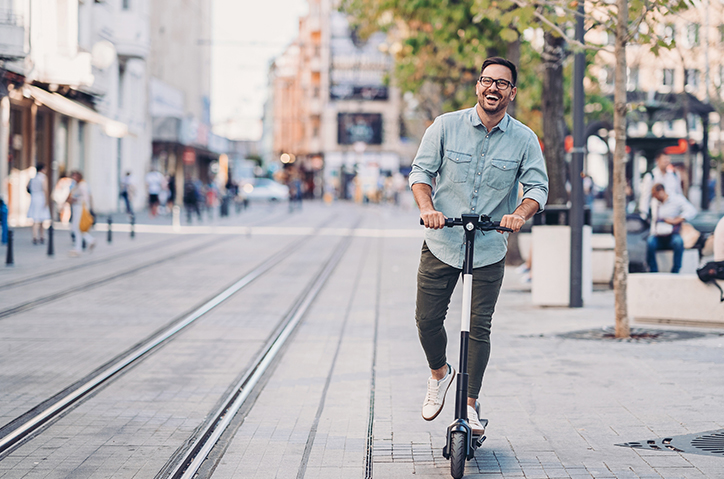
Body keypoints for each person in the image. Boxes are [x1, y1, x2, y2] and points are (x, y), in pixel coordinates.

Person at [410, 57, 548, 434]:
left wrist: (519, 213)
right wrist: (428, 209)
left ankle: (469, 404)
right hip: (442, 241)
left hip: (488, 246)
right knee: (426, 320)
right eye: (487, 81)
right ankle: (440, 373)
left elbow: (538, 188)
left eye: (502, 84)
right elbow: (421, 173)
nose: (493, 88)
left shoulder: (523, 138)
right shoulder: (445, 126)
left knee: (478, 327)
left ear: (512, 93)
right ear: (478, 86)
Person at [646, 183, 697, 273]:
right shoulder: (655, 203)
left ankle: (676, 270)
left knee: (678, 242)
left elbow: (692, 210)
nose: (655, 197)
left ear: (661, 191)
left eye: (655, 195)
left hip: (672, 234)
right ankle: (653, 270)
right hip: (658, 235)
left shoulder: (676, 199)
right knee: (650, 242)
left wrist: (677, 220)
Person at [638, 151, 683, 219]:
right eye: (664, 160)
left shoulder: (674, 175)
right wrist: (644, 215)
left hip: (673, 213)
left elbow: (679, 193)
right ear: (658, 161)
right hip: (657, 214)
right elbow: (645, 197)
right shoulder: (651, 176)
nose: (666, 162)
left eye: (667, 160)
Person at [66, 170, 95, 256]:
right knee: (76, 228)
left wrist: (76, 200)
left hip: (80, 208)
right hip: (76, 208)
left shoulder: (82, 185)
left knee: (77, 227)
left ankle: (79, 248)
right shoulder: (76, 184)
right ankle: (89, 241)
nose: (73, 178)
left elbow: (86, 197)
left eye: (75, 176)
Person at [27, 164, 51, 244]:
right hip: (41, 198)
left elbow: (27, 187)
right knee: (41, 218)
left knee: (34, 218)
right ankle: (41, 235)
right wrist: (47, 201)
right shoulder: (43, 178)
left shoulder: (33, 178)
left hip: (34, 197)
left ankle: (34, 236)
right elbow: (45, 189)